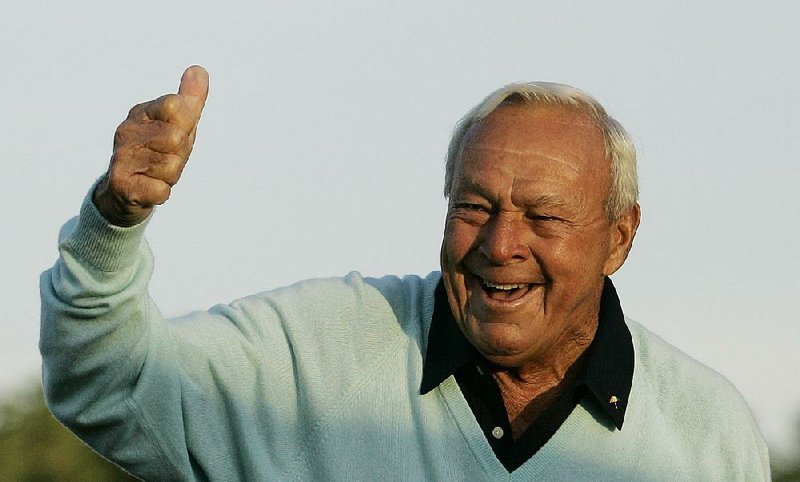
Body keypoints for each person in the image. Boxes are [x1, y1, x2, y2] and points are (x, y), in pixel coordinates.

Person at [40, 66, 770, 480]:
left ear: (620, 236)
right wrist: (113, 223)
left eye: (543, 217)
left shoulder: (707, 434)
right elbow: (108, 381)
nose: (500, 244)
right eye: (474, 206)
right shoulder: (313, 358)